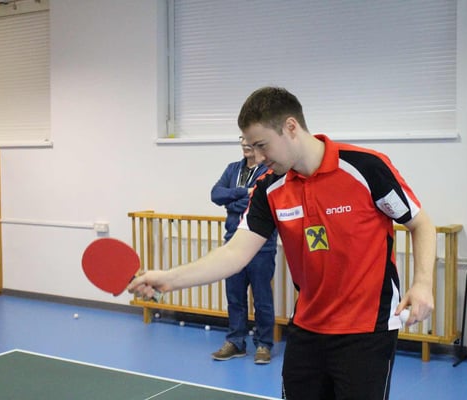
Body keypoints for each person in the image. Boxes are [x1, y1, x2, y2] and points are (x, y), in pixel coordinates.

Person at [129, 86, 437, 400]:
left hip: (367, 330)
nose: (258, 157)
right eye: (251, 147)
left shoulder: (365, 167)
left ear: (291, 127)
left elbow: (420, 223)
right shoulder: (270, 188)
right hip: (307, 329)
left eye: (262, 145)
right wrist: (170, 279)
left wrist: (423, 283)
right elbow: (234, 253)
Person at [210, 137, 278, 364]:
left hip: (261, 246)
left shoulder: (268, 171)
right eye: (242, 139)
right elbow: (216, 194)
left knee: (262, 298)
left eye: (250, 139)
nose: (245, 143)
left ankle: (263, 344)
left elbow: (263, 201)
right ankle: (236, 342)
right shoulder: (232, 169)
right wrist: (243, 193)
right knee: (234, 297)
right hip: (233, 244)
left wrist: (232, 201)